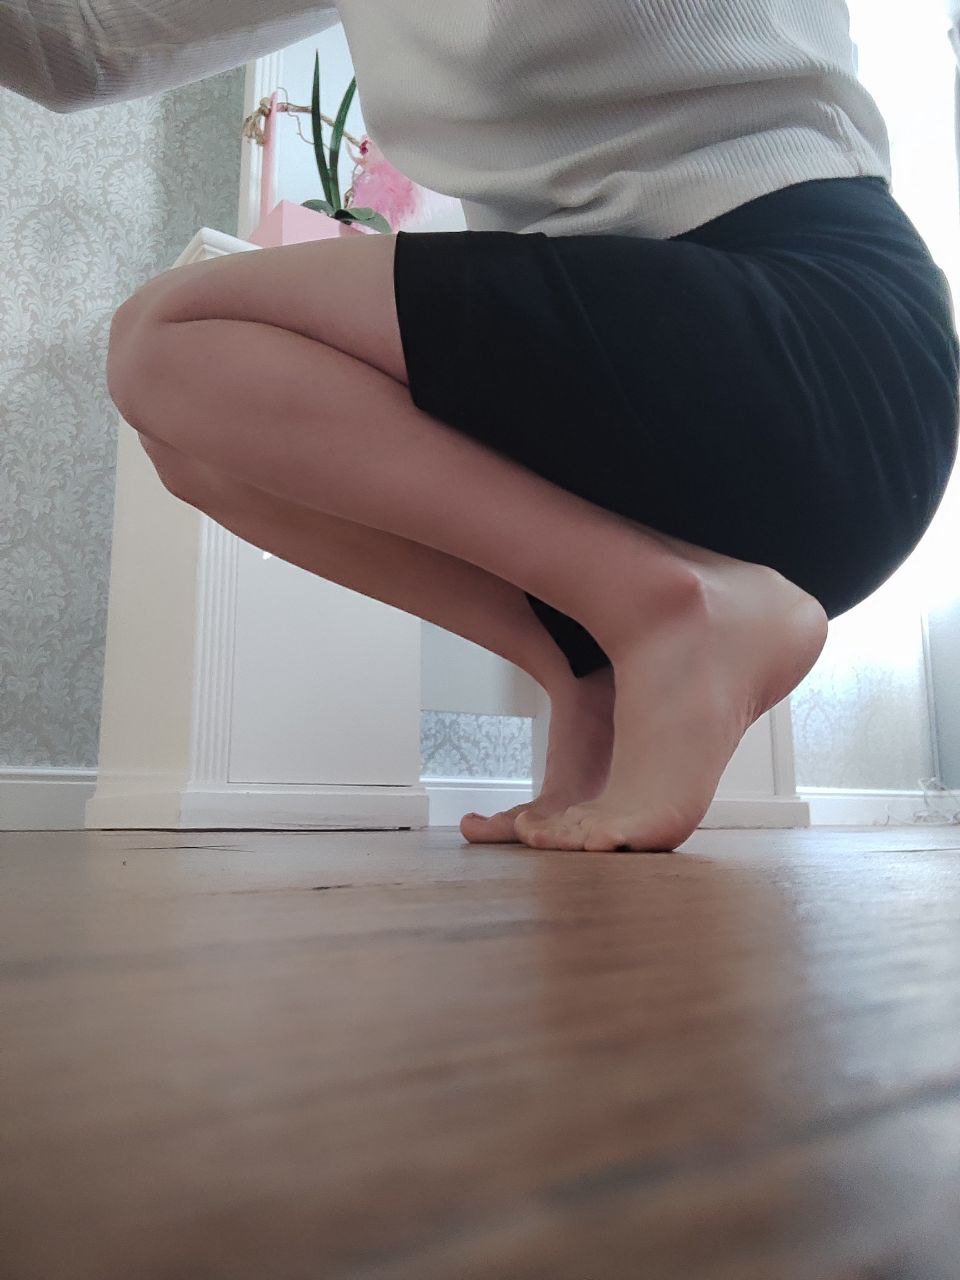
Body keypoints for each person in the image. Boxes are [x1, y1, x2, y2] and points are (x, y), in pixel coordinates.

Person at [3, 1, 958, 852]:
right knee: (187, 426)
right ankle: (585, 669)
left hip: (821, 341)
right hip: (638, 386)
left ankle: (666, 610)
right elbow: (77, 43)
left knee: (172, 338)